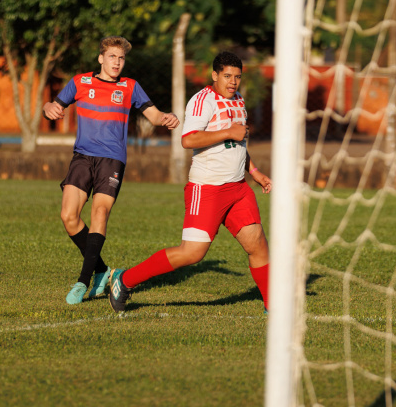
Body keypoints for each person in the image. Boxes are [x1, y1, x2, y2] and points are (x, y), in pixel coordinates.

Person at [107, 51, 273, 313]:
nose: (233, 82)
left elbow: (237, 144)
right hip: (206, 189)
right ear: (214, 75)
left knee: (258, 246)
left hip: (238, 189)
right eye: (227, 76)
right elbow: (188, 139)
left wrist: (254, 171)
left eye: (237, 77)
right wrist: (229, 131)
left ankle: (273, 307)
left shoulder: (239, 99)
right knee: (192, 253)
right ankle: (124, 280)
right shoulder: (202, 101)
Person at [43, 36, 179, 305]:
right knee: (68, 216)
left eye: (121, 58)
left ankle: (83, 281)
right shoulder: (80, 82)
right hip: (82, 157)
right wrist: (49, 108)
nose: (117, 62)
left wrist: (168, 117)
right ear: (101, 58)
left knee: (99, 211)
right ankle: (103, 270)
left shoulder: (130, 87)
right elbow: (53, 105)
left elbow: (153, 115)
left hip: (112, 160)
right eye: (113, 57)